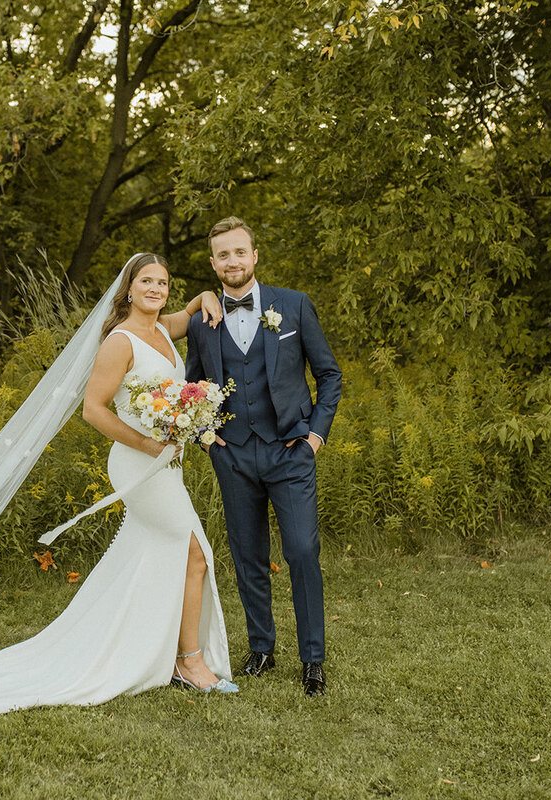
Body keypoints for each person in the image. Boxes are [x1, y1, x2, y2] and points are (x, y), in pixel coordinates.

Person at [0, 253, 235, 713]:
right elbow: (93, 410)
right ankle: (189, 663)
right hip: (139, 464)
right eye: (147, 281)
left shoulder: (162, 330)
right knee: (194, 551)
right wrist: (148, 444)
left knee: (162, 554)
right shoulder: (120, 340)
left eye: (164, 282)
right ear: (128, 289)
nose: (156, 289)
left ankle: (155, 649)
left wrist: (205, 295)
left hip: (164, 465)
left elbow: (190, 311)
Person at [185, 217, 342, 697]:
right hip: (234, 457)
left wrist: (314, 437)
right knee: (247, 555)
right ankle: (262, 648)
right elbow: (190, 389)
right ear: (214, 264)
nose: (232, 261)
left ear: (254, 256)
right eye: (223, 255)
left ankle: (312, 659)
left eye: (240, 252)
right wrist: (207, 438)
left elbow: (329, 375)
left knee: (300, 551)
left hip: (291, 452)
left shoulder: (293, 306)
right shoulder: (200, 323)